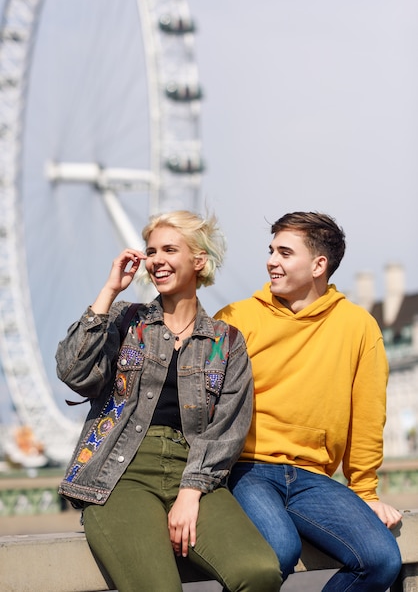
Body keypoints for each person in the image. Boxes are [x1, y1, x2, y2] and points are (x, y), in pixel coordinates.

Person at [56, 210, 282, 592]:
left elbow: (228, 427)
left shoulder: (226, 342)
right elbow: (73, 372)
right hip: (119, 473)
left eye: (169, 249)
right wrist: (110, 290)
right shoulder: (125, 320)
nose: (157, 259)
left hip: (195, 471)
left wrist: (190, 493)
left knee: (259, 571)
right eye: (151, 251)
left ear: (199, 261)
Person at [215, 211, 402, 591]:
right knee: (279, 551)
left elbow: (367, 417)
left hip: (314, 479)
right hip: (247, 470)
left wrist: (364, 492)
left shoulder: (359, 327)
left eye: (285, 253)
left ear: (319, 265)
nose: (271, 261)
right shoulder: (236, 319)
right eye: (271, 251)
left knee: (382, 560)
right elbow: (202, 405)